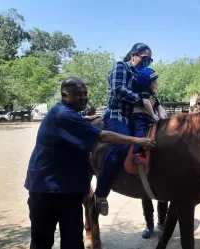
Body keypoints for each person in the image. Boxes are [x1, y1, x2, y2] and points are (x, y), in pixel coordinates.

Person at [24, 77, 156, 249]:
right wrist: (138, 140)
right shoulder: (63, 115)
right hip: (48, 191)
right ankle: (102, 194)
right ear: (65, 95)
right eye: (78, 95)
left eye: (85, 93)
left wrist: (86, 120)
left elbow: (77, 124)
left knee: (73, 242)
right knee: (42, 242)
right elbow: (104, 136)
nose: (84, 98)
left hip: (69, 191)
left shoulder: (68, 114)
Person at [94, 43, 153, 216]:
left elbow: (147, 93)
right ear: (134, 55)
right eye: (145, 59)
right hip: (116, 114)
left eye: (150, 60)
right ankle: (101, 193)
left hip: (133, 117)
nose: (147, 62)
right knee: (120, 146)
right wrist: (140, 99)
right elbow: (117, 89)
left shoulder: (142, 74)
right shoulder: (121, 66)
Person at [130, 67, 165, 165]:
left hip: (147, 118)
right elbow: (146, 103)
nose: (156, 84)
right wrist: (154, 115)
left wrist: (162, 116)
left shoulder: (152, 95)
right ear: (147, 84)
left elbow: (159, 106)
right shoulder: (144, 92)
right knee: (140, 131)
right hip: (139, 118)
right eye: (154, 82)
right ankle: (136, 154)